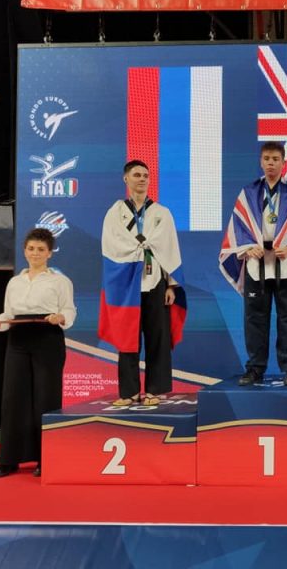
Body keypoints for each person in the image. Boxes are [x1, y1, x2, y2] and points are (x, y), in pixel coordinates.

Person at [219, 141, 287, 386]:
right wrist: (247, 247)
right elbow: (238, 227)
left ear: (284, 162)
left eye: (276, 159)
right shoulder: (248, 193)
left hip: (285, 263)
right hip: (256, 264)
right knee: (254, 319)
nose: (271, 163)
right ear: (260, 161)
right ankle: (255, 369)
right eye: (266, 158)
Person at [0, 228, 76, 477]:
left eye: (41, 249)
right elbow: (9, 314)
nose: (35, 253)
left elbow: (69, 310)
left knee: (46, 399)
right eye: (31, 249)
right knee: (13, 399)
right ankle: (9, 460)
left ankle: (46, 458)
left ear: (50, 253)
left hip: (48, 339)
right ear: (24, 250)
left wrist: (60, 317)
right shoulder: (15, 282)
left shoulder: (60, 281)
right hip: (18, 341)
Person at [99, 160, 186, 407]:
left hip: (155, 282)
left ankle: (154, 390)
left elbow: (170, 248)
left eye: (145, 175)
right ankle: (129, 392)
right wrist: (139, 248)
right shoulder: (115, 213)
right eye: (136, 175)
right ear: (126, 179)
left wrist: (171, 285)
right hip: (126, 282)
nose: (142, 179)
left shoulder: (161, 213)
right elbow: (111, 246)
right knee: (127, 337)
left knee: (157, 337)